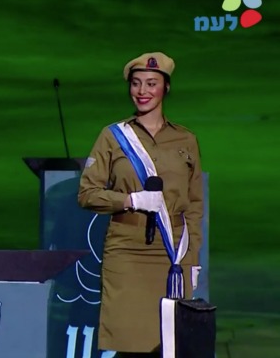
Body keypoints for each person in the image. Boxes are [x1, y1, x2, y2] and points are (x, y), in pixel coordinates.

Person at [77, 52, 204, 357]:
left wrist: (194, 258)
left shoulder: (186, 140)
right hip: (126, 253)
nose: (142, 91)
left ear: (166, 88)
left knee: (171, 345)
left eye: (151, 83)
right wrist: (129, 200)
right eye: (136, 84)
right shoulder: (113, 137)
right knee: (129, 344)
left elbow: (195, 205)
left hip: (172, 254)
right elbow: (87, 193)